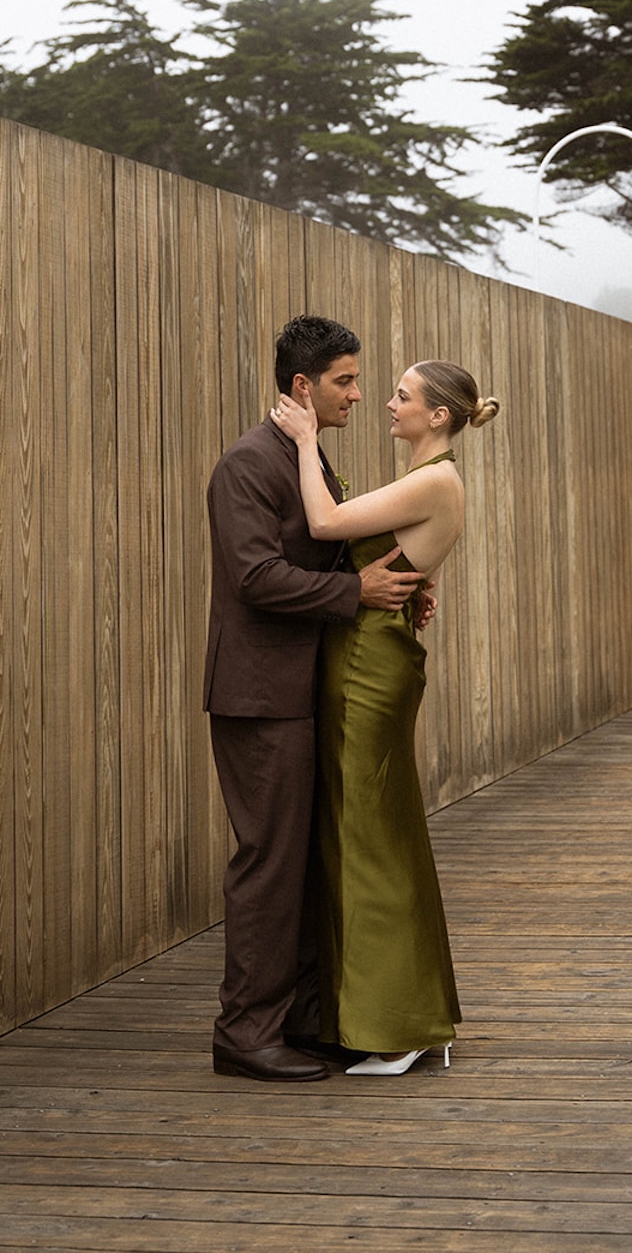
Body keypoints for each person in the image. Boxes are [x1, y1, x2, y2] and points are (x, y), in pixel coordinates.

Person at [203, 314, 425, 1083]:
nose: (359, 395)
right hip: (260, 698)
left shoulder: (305, 458)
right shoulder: (246, 466)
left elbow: (332, 546)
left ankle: (300, 1021)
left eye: (360, 380)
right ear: (303, 385)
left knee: (303, 863)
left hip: (303, 693)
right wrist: (352, 590)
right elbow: (255, 578)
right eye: (345, 381)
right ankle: (244, 1033)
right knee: (270, 864)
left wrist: (399, 586)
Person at [271, 358, 501, 1075]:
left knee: (367, 837)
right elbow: (396, 556)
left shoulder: (435, 478)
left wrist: (306, 440)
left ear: (438, 416)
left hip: (367, 668)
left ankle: (398, 1028)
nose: (386, 404)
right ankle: (414, 1014)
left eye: (402, 396)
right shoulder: (433, 480)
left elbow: (325, 520)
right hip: (373, 657)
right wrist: (419, 581)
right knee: (381, 833)